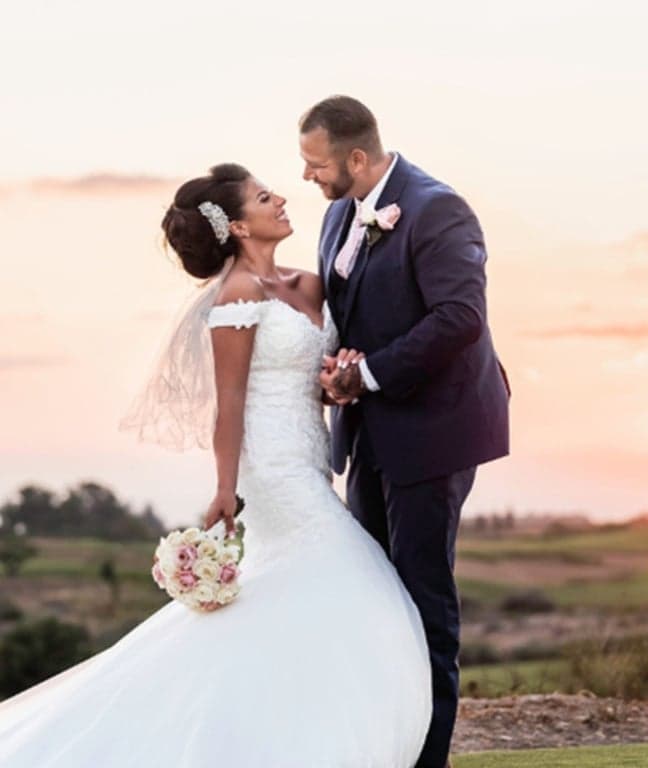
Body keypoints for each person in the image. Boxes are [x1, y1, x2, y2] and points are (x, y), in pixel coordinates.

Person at [0, 163, 432, 767]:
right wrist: (226, 490)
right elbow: (229, 401)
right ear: (235, 225)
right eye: (263, 197)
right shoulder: (235, 297)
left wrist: (336, 380)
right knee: (360, 583)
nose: (281, 198)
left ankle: (270, 726)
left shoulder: (309, 285)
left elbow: (319, 373)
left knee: (300, 594)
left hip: (312, 457)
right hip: (271, 469)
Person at [300, 96, 510, 768]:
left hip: (435, 430)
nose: (307, 175)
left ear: (356, 157)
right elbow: (354, 317)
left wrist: (373, 375)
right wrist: (340, 370)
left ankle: (428, 759)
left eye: (316, 162)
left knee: (423, 603)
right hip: (370, 434)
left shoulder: (435, 209)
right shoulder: (337, 214)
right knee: (376, 597)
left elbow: (459, 319)